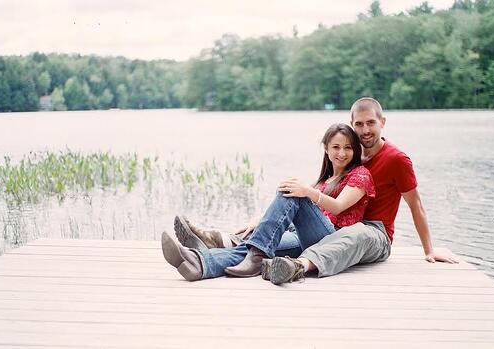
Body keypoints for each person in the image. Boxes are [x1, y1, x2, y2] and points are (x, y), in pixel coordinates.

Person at [171, 96, 458, 285]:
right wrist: (262, 221)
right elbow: (320, 202)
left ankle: (295, 266)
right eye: (359, 124)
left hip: (374, 232)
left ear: (383, 122)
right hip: (332, 231)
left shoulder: (394, 160)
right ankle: (199, 262)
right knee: (269, 242)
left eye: (371, 123)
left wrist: (429, 250)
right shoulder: (351, 160)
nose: (365, 129)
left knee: (348, 227)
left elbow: (415, 203)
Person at [160, 123, 375, 281]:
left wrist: (307, 192)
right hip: (307, 240)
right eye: (336, 147)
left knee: (291, 191)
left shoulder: (360, 174)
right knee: (254, 246)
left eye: (348, 148)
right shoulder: (323, 181)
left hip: (333, 242)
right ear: (326, 149)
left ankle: (220, 242)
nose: (342, 153)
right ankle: (198, 262)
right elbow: (296, 218)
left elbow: (338, 207)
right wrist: (263, 222)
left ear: (355, 150)